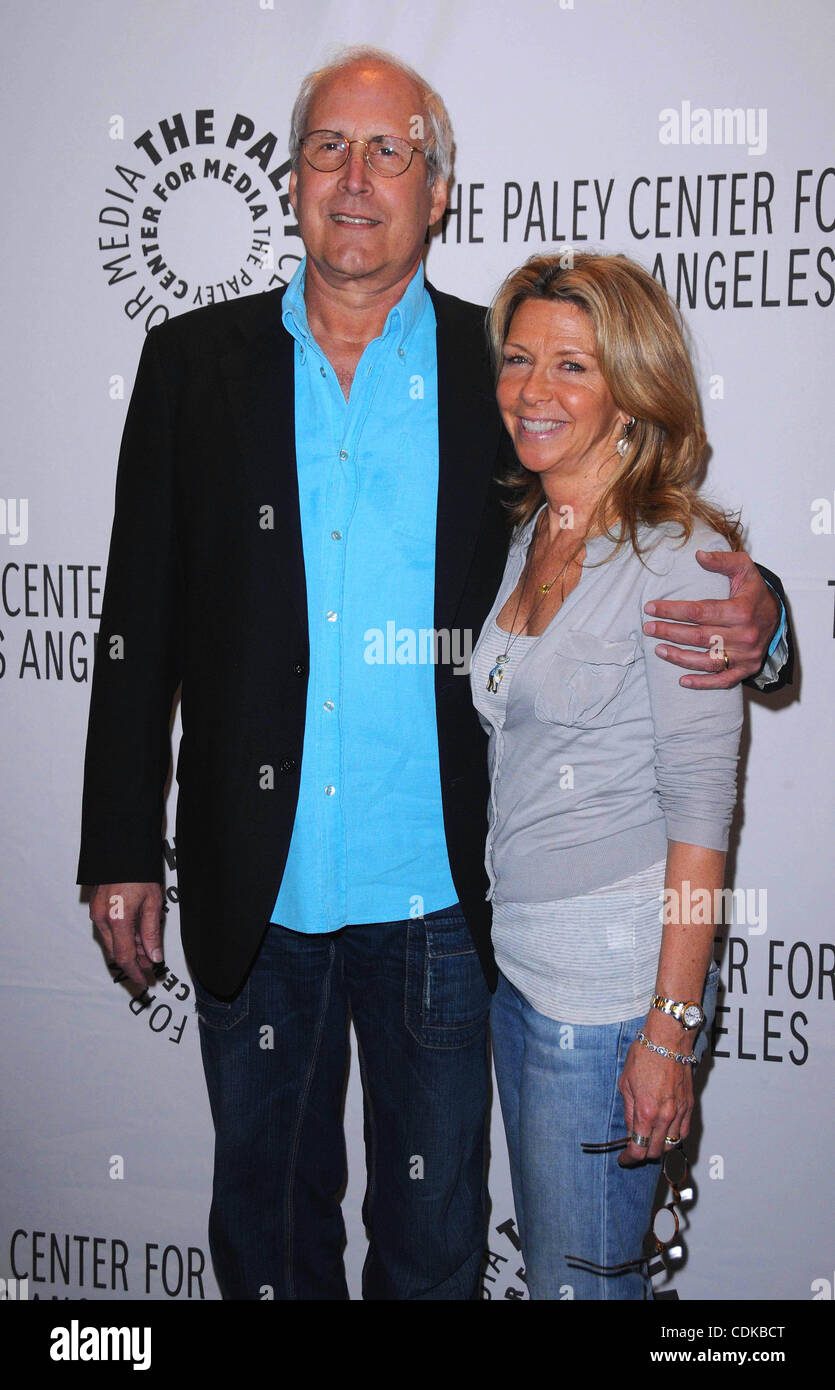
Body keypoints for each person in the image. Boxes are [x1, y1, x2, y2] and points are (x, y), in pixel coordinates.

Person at [77, 49, 791, 1302]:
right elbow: (136, 621)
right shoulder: (192, 364)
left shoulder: (503, 370)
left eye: (389, 151)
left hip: (442, 911)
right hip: (259, 895)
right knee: (266, 1232)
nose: (355, 180)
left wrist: (768, 612)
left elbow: (637, 525)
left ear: (441, 187)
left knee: (434, 1249)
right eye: (325, 149)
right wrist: (120, 842)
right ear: (291, 177)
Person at [471, 250, 766, 1300]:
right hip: (525, 979)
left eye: (570, 366)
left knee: (580, 1292)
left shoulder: (676, 558)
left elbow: (701, 820)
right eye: (516, 360)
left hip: (606, 1003)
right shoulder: (532, 531)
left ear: (631, 390)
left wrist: (668, 1031)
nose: (531, 391)